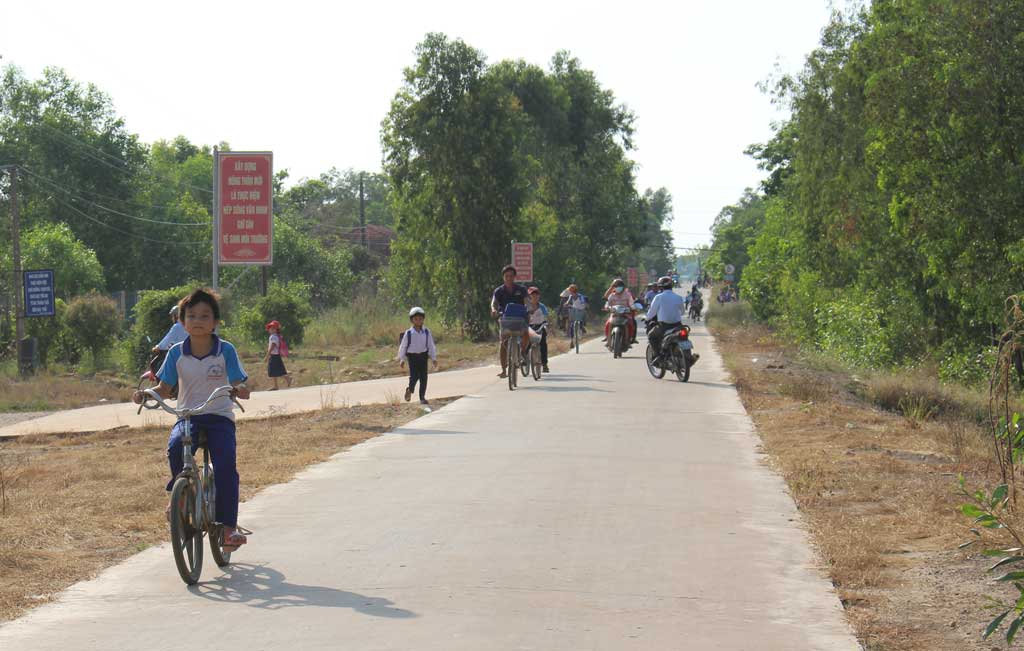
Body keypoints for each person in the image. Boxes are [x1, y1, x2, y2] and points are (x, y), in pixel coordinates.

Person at [132, 288, 251, 552]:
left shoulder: (225, 350)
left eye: (205, 316)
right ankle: (181, 496)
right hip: (187, 416)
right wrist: (146, 394)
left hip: (219, 416)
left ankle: (228, 528)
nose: (197, 320)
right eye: (191, 315)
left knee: (225, 466)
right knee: (175, 448)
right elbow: (165, 388)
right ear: (182, 322)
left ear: (215, 322)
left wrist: (240, 389)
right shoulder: (176, 352)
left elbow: (237, 380)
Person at [646, 276, 700, 366]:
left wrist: (647, 318)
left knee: (651, 335)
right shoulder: (678, 297)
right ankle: (688, 357)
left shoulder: (658, 297)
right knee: (684, 337)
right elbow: (682, 312)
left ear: (660, 287)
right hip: (678, 325)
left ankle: (658, 356)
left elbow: (651, 313)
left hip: (664, 326)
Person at [491, 265, 530, 378]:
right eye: (506, 276)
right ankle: (504, 370)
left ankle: (523, 352)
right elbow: (494, 303)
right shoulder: (499, 291)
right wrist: (493, 310)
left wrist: (529, 308)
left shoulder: (521, 289)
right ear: (503, 277)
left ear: (514, 277)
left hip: (520, 319)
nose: (509, 278)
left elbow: (527, 301)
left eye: (511, 276)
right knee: (503, 343)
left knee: (526, 334)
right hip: (505, 319)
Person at [398, 307, 438, 405]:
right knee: (414, 376)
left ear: (423, 319)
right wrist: (402, 359)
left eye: (420, 319)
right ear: (412, 320)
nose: (418, 321)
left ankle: (422, 397)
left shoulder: (427, 332)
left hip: (423, 357)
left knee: (424, 377)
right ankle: (410, 389)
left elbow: (431, 345)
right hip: (412, 357)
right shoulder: (409, 333)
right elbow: (403, 346)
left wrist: (433, 358)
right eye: (416, 319)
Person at [603, 278, 638, 344]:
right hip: (614, 314)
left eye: (619, 286)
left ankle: (631, 338)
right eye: (615, 286)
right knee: (608, 323)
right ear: (613, 287)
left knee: (632, 323)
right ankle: (608, 338)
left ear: (623, 287)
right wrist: (607, 307)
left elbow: (631, 303)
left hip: (625, 313)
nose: (617, 287)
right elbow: (607, 303)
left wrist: (633, 308)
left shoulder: (627, 294)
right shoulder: (611, 295)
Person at [526, 287, 550, 373]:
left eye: (536, 294)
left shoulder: (542, 306)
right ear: (529, 297)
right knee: (526, 343)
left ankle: (544, 364)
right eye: (532, 295)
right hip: (529, 327)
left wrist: (547, 325)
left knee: (543, 343)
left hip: (540, 326)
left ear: (539, 296)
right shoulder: (526, 307)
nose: (534, 296)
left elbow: (546, 317)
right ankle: (524, 359)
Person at [264, 320, 292, 390]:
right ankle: (277, 385)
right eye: (270, 328)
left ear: (276, 330)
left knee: (275, 371)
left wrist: (267, 355)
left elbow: (272, 346)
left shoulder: (273, 337)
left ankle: (287, 379)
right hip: (275, 356)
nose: (271, 329)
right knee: (275, 371)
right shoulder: (276, 336)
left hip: (274, 356)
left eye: (273, 328)